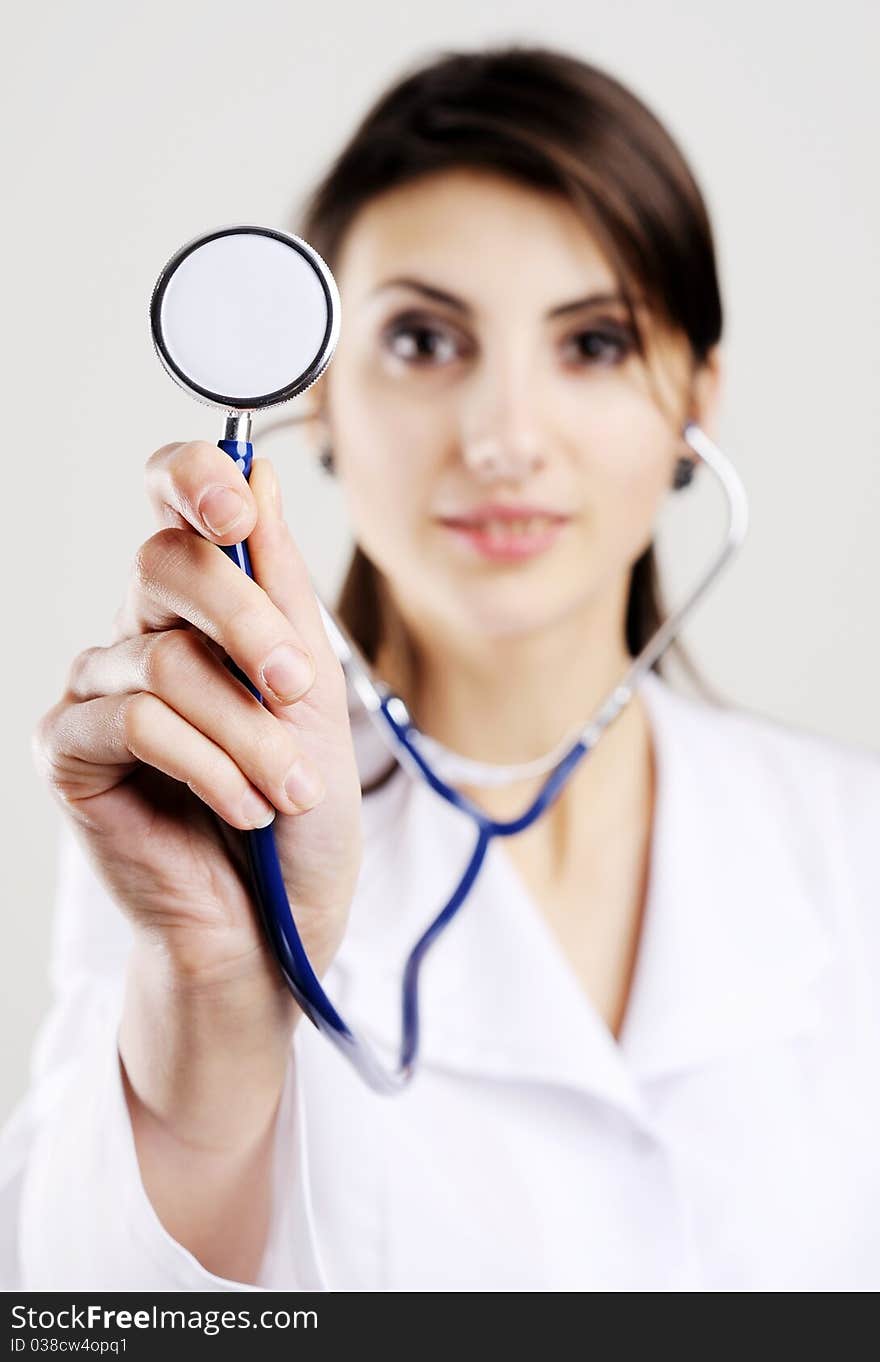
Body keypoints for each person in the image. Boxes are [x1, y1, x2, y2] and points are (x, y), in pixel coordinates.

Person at [3, 44, 880, 1293]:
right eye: (421, 340)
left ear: (697, 402)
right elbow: (85, 1316)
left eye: (591, 343)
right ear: (322, 408)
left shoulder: (858, 850)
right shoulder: (198, 837)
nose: (504, 439)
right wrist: (216, 994)